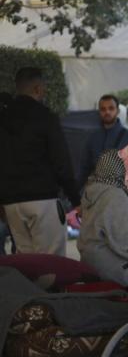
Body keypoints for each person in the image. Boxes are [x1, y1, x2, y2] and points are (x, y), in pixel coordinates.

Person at [0, 67, 80, 256]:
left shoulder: (3, 119)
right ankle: (48, 288)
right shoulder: (45, 117)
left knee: (25, 262)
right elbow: (61, 162)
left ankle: (27, 288)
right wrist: (76, 200)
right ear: (37, 89)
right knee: (51, 264)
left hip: (11, 204)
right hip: (42, 199)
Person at [76, 150, 128, 293]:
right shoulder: (115, 195)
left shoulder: (92, 190)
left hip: (90, 262)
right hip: (111, 266)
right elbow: (123, 242)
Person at [79, 94, 128, 186]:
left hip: (122, 195)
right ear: (99, 112)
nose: (107, 112)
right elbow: (84, 169)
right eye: (103, 109)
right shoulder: (93, 138)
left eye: (111, 108)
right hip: (97, 194)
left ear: (117, 111)